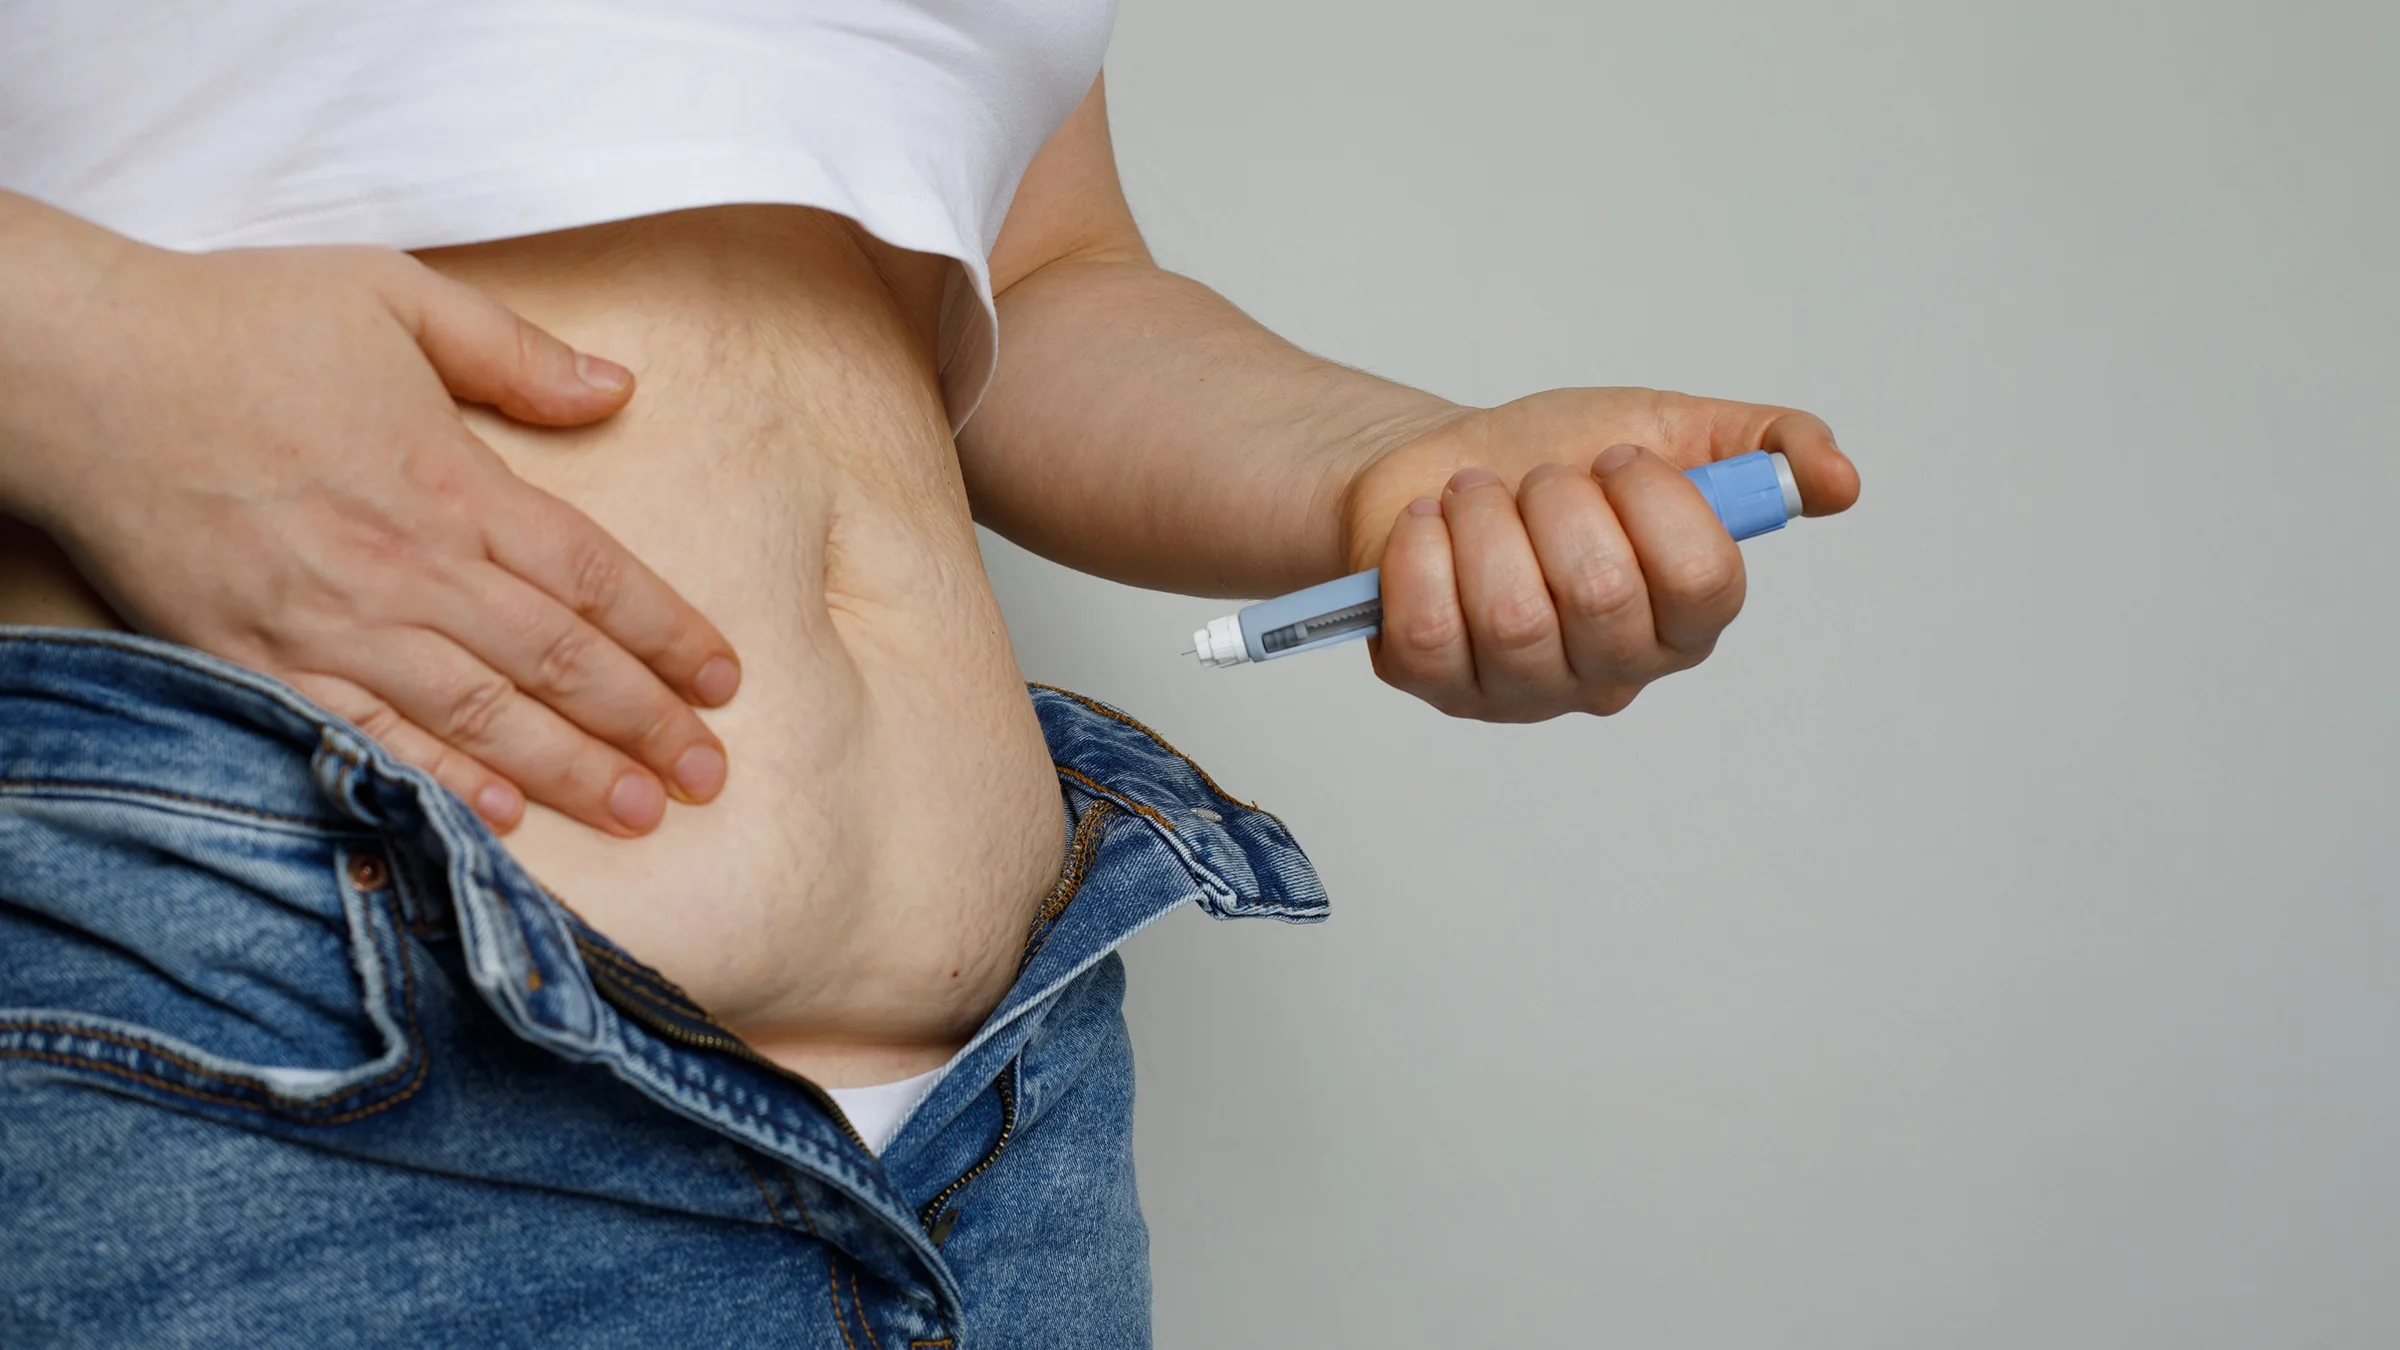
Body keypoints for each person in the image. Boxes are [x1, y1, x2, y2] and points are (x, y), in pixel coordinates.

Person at [0, 3, 1859, 1346]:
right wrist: (92, 359)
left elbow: (1036, 278)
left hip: (988, 1138)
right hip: (291, 1050)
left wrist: (1405, 466)